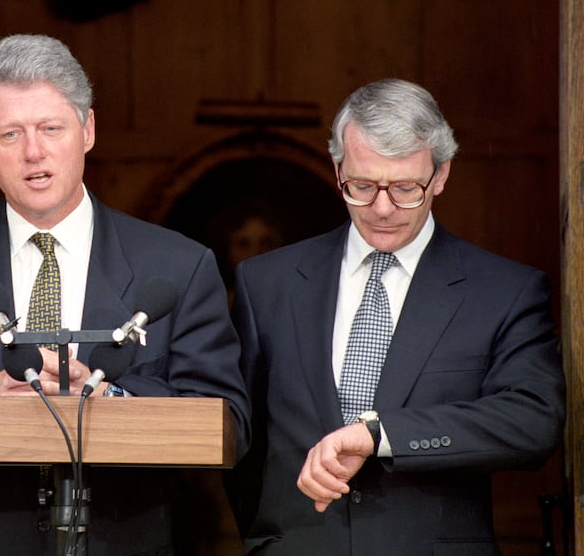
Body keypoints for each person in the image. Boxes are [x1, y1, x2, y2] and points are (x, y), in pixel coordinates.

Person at [0, 33, 250, 555]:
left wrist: (112, 401)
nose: (33, 152)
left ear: (88, 130)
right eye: (10, 134)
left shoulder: (178, 265)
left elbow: (230, 423)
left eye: (51, 128)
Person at [228, 78, 565, 555]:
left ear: (441, 175)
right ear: (337, 167)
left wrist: (382, 436)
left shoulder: (504, 291)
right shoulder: (266, 284)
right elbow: (242, 438)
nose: (382, 209)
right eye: (362, 186)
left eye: (406, 188)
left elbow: (533, 420)